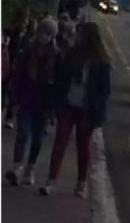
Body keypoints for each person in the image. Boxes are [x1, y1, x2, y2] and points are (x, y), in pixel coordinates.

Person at [40, 22, 111, 197]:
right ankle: (51, 180)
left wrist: (98, 116)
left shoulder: (101, 62)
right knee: (60, 142)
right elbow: (61, 79)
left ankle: (81, 183)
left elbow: (104, 92)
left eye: (79, 34)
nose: (76, 37)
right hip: (69, 104)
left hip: (86, 109)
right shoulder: (72, 55)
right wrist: (55, 103)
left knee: (83, 146)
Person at [5, 17, 58, 186]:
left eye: (49, 34)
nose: (45, 36)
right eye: (43, 32)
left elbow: (58, 83)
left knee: (37, 139)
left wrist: (53, 108)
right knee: (22, 134)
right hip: (26, 99)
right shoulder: (28, 51)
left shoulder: (56, 56)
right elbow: (18, 75)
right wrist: (14, 99)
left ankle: (30, 168)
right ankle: (17, 167)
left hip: (43, 104)